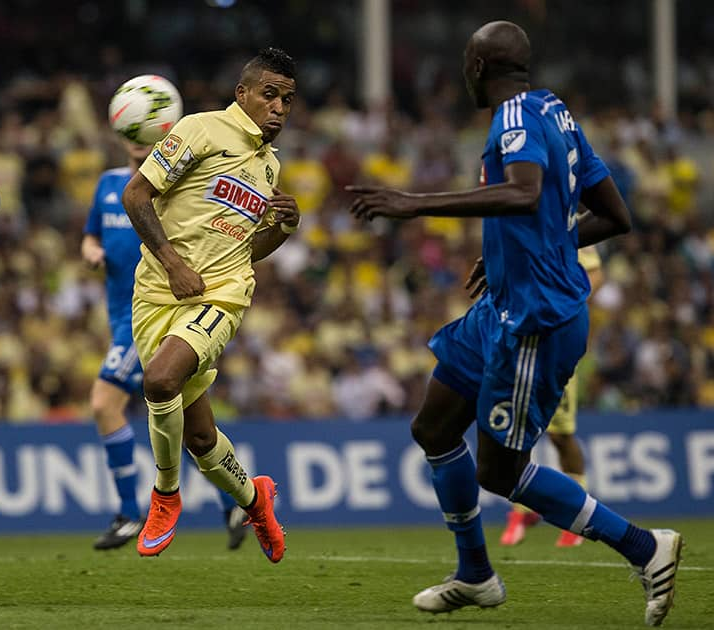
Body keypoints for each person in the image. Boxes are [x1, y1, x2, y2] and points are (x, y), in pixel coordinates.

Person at [347, 22, 681, 626]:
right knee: (435, 427)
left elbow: (524, 193)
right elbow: (615, 215)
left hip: (535, 320)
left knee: (498, 470)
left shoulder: (514, 120)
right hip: (503, 304)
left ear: (477, 66)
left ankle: (644, 546)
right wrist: (524, 250)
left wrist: (414, 205)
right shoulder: (557, 113)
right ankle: (476, 575)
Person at [121, 47, 299, 562]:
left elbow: (249, 251)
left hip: (221, 294)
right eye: (270, 94)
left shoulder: (270, 167)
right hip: (158, 293)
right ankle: (255, 500)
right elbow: (136, 196)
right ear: (241, 94)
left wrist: (285, 228)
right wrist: (172, 263)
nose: (279, 108)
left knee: (158, 379)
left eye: (287, 100)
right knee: (200, 436)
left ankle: (165, 495)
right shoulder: (199, 130)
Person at [81, 133, 249, 551]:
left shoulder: (175, 181)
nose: (140, 143)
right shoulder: (107, 184)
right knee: (191, 424)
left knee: (105, 404)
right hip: (127, 314)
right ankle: (233, 502)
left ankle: (130, 512)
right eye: (133, 135)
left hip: (162, 310)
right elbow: (91, 235)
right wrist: (90, 251)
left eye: (150, 134)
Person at [500, 246, 603, 547]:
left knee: (560, 435)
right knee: (517, 432)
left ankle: (578, 514)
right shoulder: (513, 226)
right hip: (519, 344)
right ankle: (520, 511)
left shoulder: (564, 224)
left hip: (555, 346)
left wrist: (567, 302)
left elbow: (596, 272)